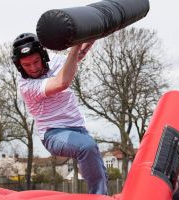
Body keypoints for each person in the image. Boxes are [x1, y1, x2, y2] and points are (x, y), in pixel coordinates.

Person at [11, 33, 108, 195]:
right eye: (27, 65)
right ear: (20, 66)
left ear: (43, 56)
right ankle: (97, 198)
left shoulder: (54, 61)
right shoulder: (26, 85)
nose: (33, 68)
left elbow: (76, 56)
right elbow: (62, 83)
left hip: (79, 129)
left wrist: (93, 34)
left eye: (36, 61)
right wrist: (76, 44)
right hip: (53, 133)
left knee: (97, 162)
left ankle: (104, 196)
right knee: (87, 147)